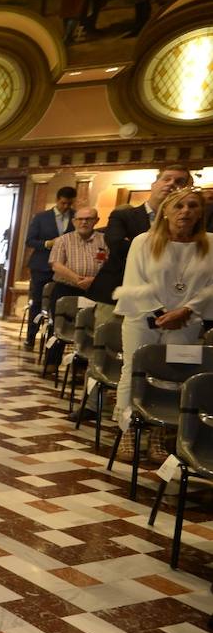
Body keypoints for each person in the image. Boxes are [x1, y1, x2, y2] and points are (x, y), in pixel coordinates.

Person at [112, 187, 213, 457]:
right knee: (133, 371)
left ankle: (158, 432)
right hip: (143, 317)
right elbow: (135, 280)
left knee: (174, 375)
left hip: (187, 320)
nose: (186, 211)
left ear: (200, 213)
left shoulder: (210, 243)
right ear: (165, 211)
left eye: (193, 206)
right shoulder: (144, 241)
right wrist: (162, 315)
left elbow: (211, 286)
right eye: (179, 206)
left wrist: (186, 310)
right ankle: (128, 430)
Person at [89, 166, 193, 327]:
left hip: (167, 297)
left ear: (185, 190)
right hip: (118, 291)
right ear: (154, 184)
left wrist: (135, 244)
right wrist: (164, 251)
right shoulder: (123, 216)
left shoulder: (186, 223)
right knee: (108, 341)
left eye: (179, 181)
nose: (171, 184)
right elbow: (117, 246)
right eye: (166, 179)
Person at [24, 186, 76, 348]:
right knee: (37, 302)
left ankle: (55, 339)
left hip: (65, 267)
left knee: (59, 304)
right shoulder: (41, 217)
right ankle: (31, 337)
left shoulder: (76, 218)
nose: (66, 206)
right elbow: (30, 241)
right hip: (41, 266)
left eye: (69, 204)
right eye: (63, 203)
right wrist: (47, 243)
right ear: (57, 200)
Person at [49, 204, 108, 303]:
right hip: (66, 290)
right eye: (80, 219)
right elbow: (56, 265)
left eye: (88, 219)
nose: (84, 222)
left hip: (97, 290)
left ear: (96, 220)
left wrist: (94, 280)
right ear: (74, 221)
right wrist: (78, 280)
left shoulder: (106, 240)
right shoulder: (63, 240)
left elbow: (111, 266)